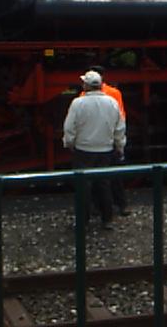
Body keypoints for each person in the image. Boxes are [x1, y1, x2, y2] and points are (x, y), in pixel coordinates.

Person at [63, 70, 125, 230]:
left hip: (83, 149)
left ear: (86, 85)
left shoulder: (78, 103)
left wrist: (69, 143)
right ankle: (107, 219)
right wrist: (119, 146)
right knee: (104, 184)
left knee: (83, 186)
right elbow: (120, 127)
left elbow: (69, 127)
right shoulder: (112, 102)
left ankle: (83, 221)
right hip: (105, 149)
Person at [86, 65, 130, 216]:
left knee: (93, 178)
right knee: (114, 175)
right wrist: (120, 143)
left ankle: (97, 208)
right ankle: (121, 205)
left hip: (91, 142)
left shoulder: (81, 97)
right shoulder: (114, 93)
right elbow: (121, 119)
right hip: (110, 139)